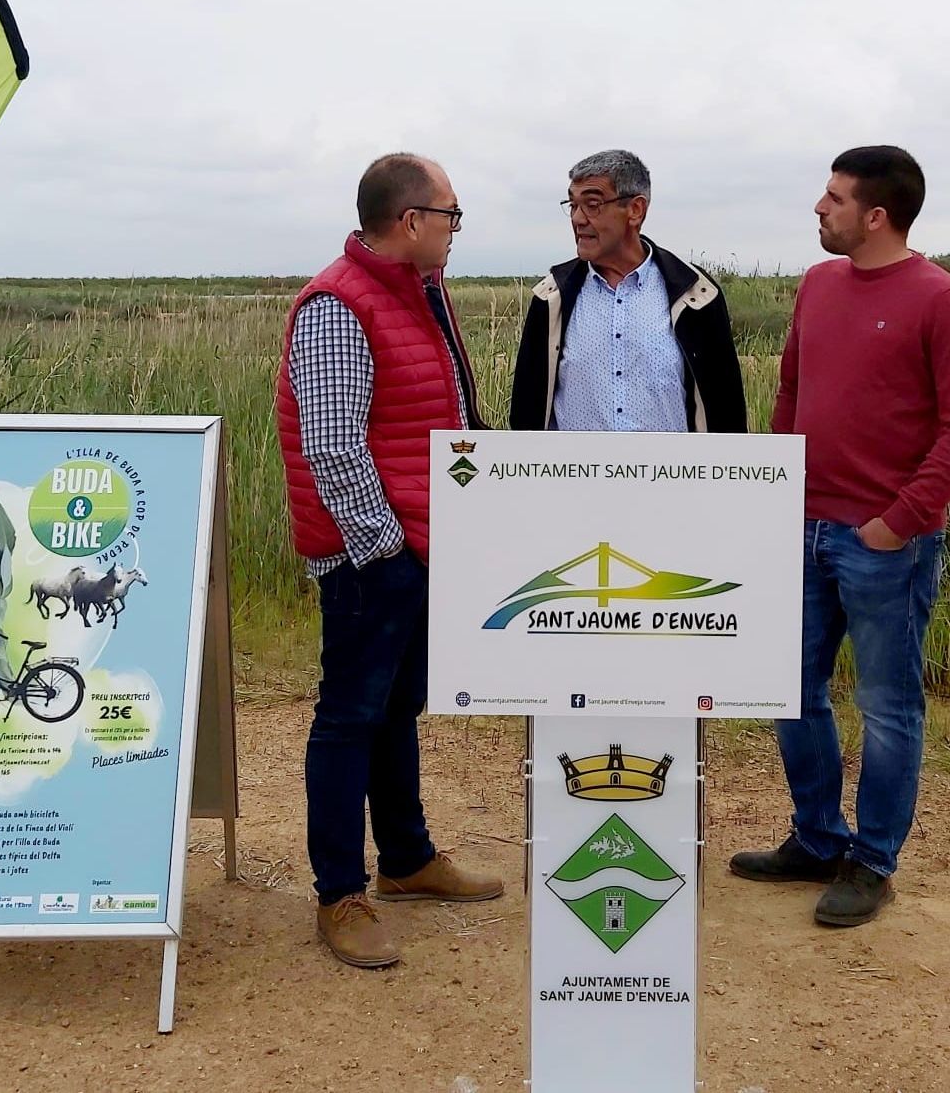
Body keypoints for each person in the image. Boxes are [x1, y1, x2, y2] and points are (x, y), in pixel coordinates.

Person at [730, 146, 950, 926]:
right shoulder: (817, 285)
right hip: (803, 528)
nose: (819, 207)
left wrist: (897, 522)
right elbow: (790, 392)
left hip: (885, 543)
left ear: (876, 216)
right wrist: (778, 489)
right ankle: (816, 838)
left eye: (834, 198)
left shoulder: (941, 300)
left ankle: (872, 860)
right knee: (789, 692)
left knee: (887, 707)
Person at [275, 153, 502, 968]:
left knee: (396, 707)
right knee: (349, 717)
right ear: (410, 222)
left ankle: (405, 860)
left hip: (419, 542)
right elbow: (334, 450)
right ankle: (339, 892)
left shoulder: (418, 294)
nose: (454, 228)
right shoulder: (339, 305)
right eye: (450, 214)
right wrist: (386, 554)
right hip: (375, 554)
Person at [509, 149, 745, 434]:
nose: (577, 219)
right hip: (574, 478)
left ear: (635, 210)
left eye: (592, 204)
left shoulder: (696, 295)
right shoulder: (551, 298)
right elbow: (525, 417)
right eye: (572, 205)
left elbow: (727, 416)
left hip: (671, 477)